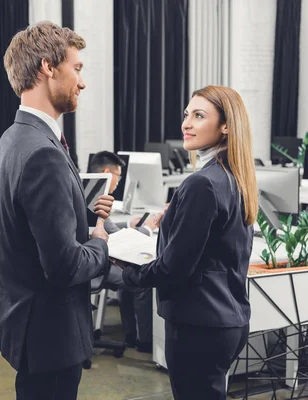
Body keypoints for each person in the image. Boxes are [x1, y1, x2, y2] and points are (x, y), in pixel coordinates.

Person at [0, 22, 112, 400]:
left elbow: (30, 227)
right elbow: (63, 267)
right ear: (48, 67)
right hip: (51, 335)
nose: (82, 82)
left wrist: (81, 212)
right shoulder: (44, 151)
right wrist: (100, 243)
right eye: (77, 69)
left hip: (26, 326)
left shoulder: (14, 137)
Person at [121, 85, 258, 399]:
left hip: (198, 324)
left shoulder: (202, 183)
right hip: (225, 320)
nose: (186, 123)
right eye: (186, 115)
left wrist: (127, 273)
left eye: (198, 116)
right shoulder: (232, 177)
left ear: (226, 126)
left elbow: (174, 268)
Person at [89, 151, 162, 352]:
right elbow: (113, 239)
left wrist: (128, 223)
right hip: (95, 264)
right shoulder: (98, 199)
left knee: (127, 275)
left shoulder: (89, 191)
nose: (119, 181)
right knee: (139, 281)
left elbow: (106, 226)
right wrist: (148, 227)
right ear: (107, 172)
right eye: (119, 176)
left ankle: (131, 335)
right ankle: (144, 341)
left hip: (89, 258)